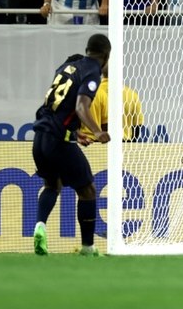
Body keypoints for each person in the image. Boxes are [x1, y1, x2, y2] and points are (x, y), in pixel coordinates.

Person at [32, 33, 112, 256]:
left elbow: (58, 105)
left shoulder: (69, 66)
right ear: (106, 56)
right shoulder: (93, 72)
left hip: (40, 136)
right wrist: (97, 131)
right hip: (58, 141)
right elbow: (80, 106)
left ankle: (40, 226)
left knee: (52, 185)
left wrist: (75, 133)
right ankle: (88, 247)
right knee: (87, 190)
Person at [79, 62, 145, 142]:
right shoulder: (132, 94)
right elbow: (137, 126)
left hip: (95, 142)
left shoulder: (92, 92)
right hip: (123, 143)